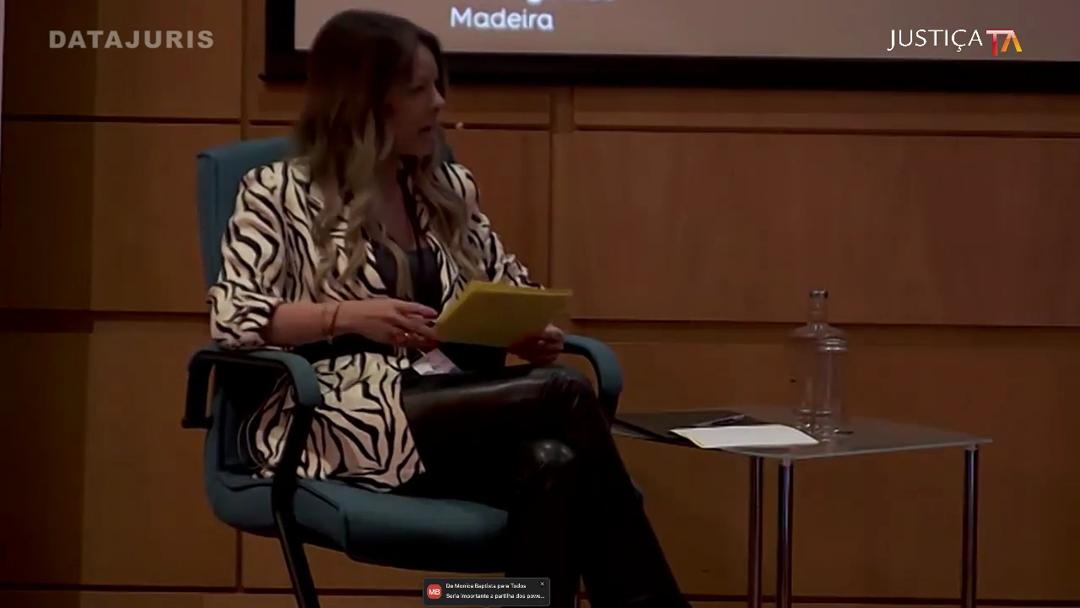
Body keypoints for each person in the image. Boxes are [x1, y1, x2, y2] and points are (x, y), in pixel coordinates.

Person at [207, 9, 689, 608]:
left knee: (554, 462)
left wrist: (526, 330)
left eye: (438, 86)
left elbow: (509, 282)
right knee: (562, 392)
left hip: (446, 401)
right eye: (418, 89)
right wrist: (349, 316)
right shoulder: (275, 191)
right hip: (335, 411)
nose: (438, 103)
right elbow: (235, 317)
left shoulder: (446, 188)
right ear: (365, 101)